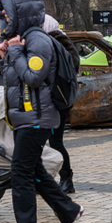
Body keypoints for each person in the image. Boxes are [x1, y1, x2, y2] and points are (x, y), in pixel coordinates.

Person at [0, 0, 83, 223]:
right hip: (27, 116)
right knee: (33, 171)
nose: (4, 17)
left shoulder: (38, 40)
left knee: (20, 172)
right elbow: (13, 81)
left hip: (37, 117)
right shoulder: (22, 41)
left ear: (21, 12)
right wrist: (4, 57)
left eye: (7, 12)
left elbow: (33, 77)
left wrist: (14, 52)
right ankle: (68, 210)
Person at [42, 14, 77, 193]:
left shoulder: (61, 43)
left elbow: (69, 71)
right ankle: (43, 180)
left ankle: (66, 178)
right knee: (39, 143)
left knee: (56, 142)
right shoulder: (41, 43)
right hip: (45, 101)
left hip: (57, 101)